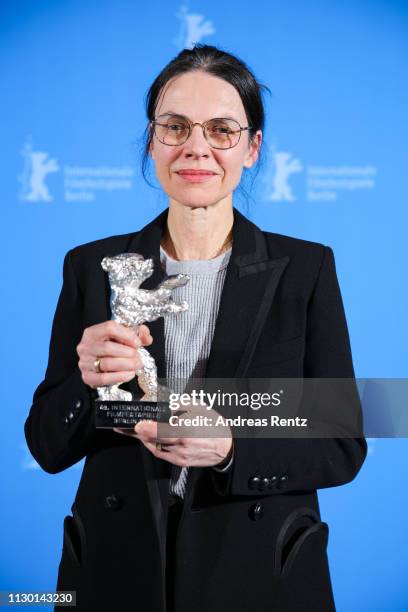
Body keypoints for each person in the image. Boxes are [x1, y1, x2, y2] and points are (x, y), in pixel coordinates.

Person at [24, 44, 367, 612]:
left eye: (222, 130)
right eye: (175, 127)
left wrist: (234, 446)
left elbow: (341, 442)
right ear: (152, 141)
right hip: (115, 570)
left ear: (252, 148)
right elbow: (47, 445)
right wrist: (87, 383)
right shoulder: (92, 266)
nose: (196, 147)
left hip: (261, 569)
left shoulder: (306, 269)